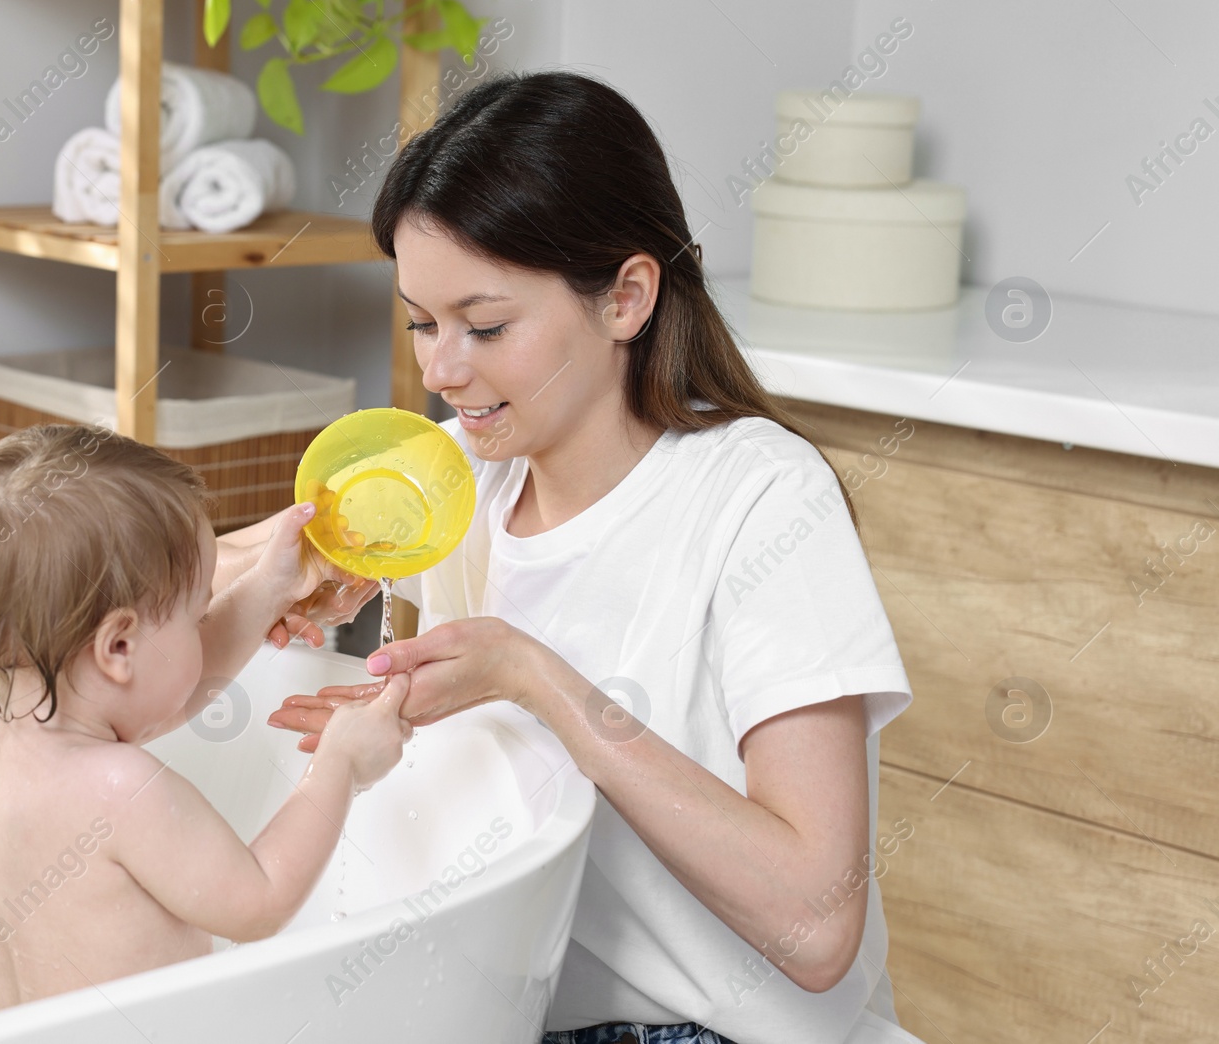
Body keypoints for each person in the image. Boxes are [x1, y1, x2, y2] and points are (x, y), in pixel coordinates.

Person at [261, 71, 925, 1044]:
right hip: (513, 1010)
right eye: (421, 322)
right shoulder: (455, 473)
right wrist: (285, 581)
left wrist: (534, 679)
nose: (441, 370)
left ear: (625, 297)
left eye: (484, 326)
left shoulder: (758, 500)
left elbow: (816, 923)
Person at [0, 423, 411, 1016]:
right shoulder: (123, 789)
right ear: (118, 648)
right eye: (198, 614)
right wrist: (343, 764)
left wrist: (270, 586)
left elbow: (154, 700)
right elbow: (260, 901)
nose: (204, 625)